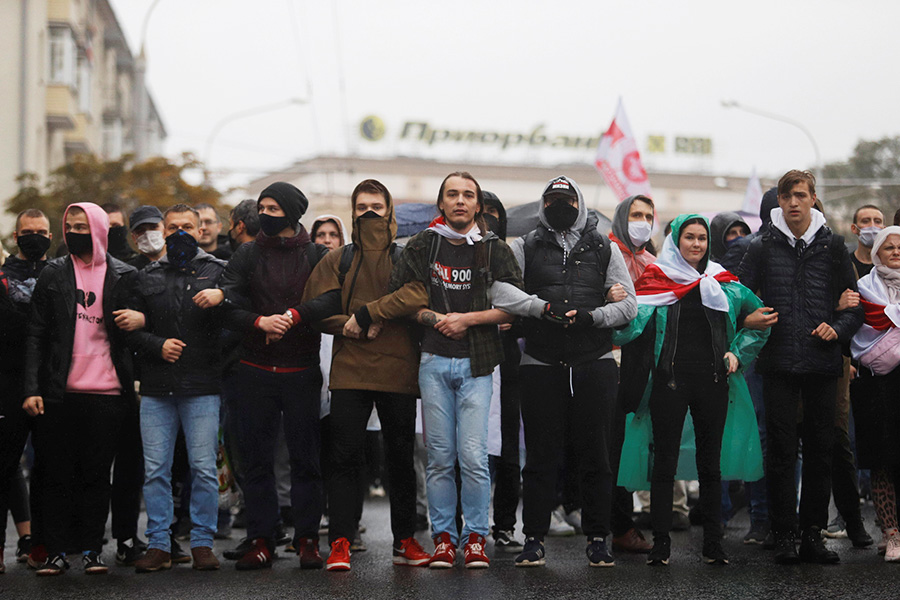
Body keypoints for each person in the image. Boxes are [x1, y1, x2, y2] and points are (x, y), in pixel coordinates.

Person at [363, 171, 536, 569]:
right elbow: (401, 296)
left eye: (468, 195)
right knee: (440, 456)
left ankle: (475, 536)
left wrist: (468, 319)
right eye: (452, 194)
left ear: (478, 205)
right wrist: (430, 316)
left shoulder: (495, 248)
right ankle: (443, 538)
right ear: (441, 203)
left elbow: (515, 304)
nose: (460, 201)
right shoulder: (424, 244)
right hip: (434, 359)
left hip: (479, 362)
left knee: (473, 456)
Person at [193, 182, 339, 570]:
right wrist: (259, 322)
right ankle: (261, 538)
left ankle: (307, 539)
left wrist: (295, 315)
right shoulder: (247, 253)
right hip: (254, 370)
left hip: (302, 371)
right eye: (262, 207)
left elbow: (335, 296)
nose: (266, 215)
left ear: (292, 212)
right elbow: (228, 303)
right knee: (255, 461)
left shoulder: (317, 254)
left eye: (274, 208)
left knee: (305, 460)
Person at [616, 213, 769, 566]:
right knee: (663, 464)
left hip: (713, 384)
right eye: (689, 237)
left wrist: (737, 352)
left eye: (702, 238)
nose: (697, 244)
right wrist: (612, 309)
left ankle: (713, 545)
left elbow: (761, 322)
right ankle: (661, 545)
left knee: (710, 467)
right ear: (675, 241)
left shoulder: (725, 283)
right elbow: (625, 329)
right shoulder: (654, 281)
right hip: (668, 384)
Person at [303, 179, 432, 571]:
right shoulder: (337, 258)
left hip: (398, 369)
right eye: (362, 207)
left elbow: (419, 294)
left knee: (400, 459)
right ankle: (341, 541)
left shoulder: (406, 255)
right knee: (344, 459)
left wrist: (368, 313)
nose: (370, 213)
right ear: (352, 211)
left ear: (390, 210)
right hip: (350, 371)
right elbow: (312, 308)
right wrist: (348, 325)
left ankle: (405, 540)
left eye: (377, 205)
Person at [738, 170, 864, 564]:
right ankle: (785, 534)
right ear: (778, 200)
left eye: (800, 195)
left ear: (812, 199)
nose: (793, 202)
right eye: (786, 196)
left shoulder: (834, 246)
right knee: (779, 451)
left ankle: (812, 534)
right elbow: (737, 296)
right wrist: (748, 318)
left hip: (823, 364)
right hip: (776, 364)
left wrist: (838, 326)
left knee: (821, 452)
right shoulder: (760, 246)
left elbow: (855, 304)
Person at [510, 176, 637, 568]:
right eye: (552, 201)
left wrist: (593, 316)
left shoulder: (604, 246)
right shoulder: (524, 245)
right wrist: (539, 308)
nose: (559, 207)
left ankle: (599, 538)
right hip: (540, 364)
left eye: (566, 200)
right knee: (539, 458)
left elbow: (629, 305)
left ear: (579, 203)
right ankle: (533, 538)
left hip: (593, 363)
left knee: (596, 456)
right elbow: (502, 293)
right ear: (543, 203)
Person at [23, 202, 138, 576]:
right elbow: (36, 335)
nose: (74, 232)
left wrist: (142, 319)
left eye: (82, 226)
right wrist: (31, 388)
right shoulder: (54, 273)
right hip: (59, 394)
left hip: (107, 394)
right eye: (69, 226)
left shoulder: (123, 275)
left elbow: (143, 328)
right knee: (56, 475)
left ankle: (92, 550)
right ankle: (57, 551)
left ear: (100, 231)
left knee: (95, 476)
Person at [126, 205, 228, 573]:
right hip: (157, 388)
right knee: (156, 470)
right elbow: (130, 329)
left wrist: (223, 298)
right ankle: (159, 544)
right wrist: (157, 343)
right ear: (163, 231)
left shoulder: (218, 272)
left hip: (202, 386)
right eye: (173, 227)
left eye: (188, 226)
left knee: (203, 468)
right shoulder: (147, 274)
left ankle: (202, 542)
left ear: (201, 230)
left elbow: (235, 320)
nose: (181, 232)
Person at [0, 209, 53, 572]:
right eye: (28, 231)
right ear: (16, 236)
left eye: (42, 231)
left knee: (49, 468)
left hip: (49, 382)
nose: (35, 236)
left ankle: (40, 544)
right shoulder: (3, 275)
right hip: (7, 382)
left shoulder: (60, 272)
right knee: (4, 465)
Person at [606, 195, 657, 553]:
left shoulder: (655, 263)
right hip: (607, 360)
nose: (642, 221)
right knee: (609, 447)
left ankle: (624, 523)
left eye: (648, 216)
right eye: (635, 214)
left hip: (643, 366)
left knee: (632, 446)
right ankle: (613, 525)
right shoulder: (603, 254)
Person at [849, 226, 900, 562]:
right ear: (877, 252)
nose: (896, 252)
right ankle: (891, 534)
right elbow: (855, 331)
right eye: (889, 247)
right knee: (882, 459)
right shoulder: (863, 289)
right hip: (875, 384)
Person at [127, 205, 166, 270]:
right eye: (141, 231)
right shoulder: (129, 272)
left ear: (165, 230)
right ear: (134, 238)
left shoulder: (180, 265)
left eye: (153, 227)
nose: (148, 234)